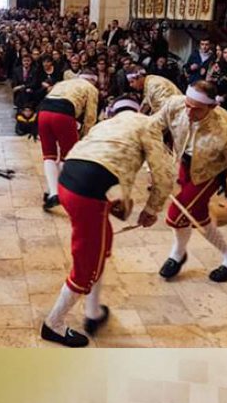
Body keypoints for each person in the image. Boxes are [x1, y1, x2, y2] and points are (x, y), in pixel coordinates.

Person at [41, 109, 175, 347]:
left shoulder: (112, 122)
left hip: (68, 180)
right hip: (87, 194)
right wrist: (152, 210)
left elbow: (102, 158)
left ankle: (92, 312)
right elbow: (163, 176)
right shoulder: (152, 127)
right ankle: (54, 324)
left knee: (102, 245)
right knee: (86, 265)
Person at [156, 81, 227, 284]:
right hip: (184, 162)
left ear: (212, 106)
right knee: (198, 216)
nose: (189, 113)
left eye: (197, 110)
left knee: (175, 215)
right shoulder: (176, 103)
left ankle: (177, 254)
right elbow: (153, 126)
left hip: (209, 172)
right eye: (187, 106)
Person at [38, 72, 100, 210]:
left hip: (43, 112)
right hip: (63, 114)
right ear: (93, 81)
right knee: (69, 156)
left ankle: (52, 191)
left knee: (49, 155)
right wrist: (85, 137)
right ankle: (54, 191)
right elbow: (90, 117)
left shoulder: (63, 83)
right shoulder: (91, 89)